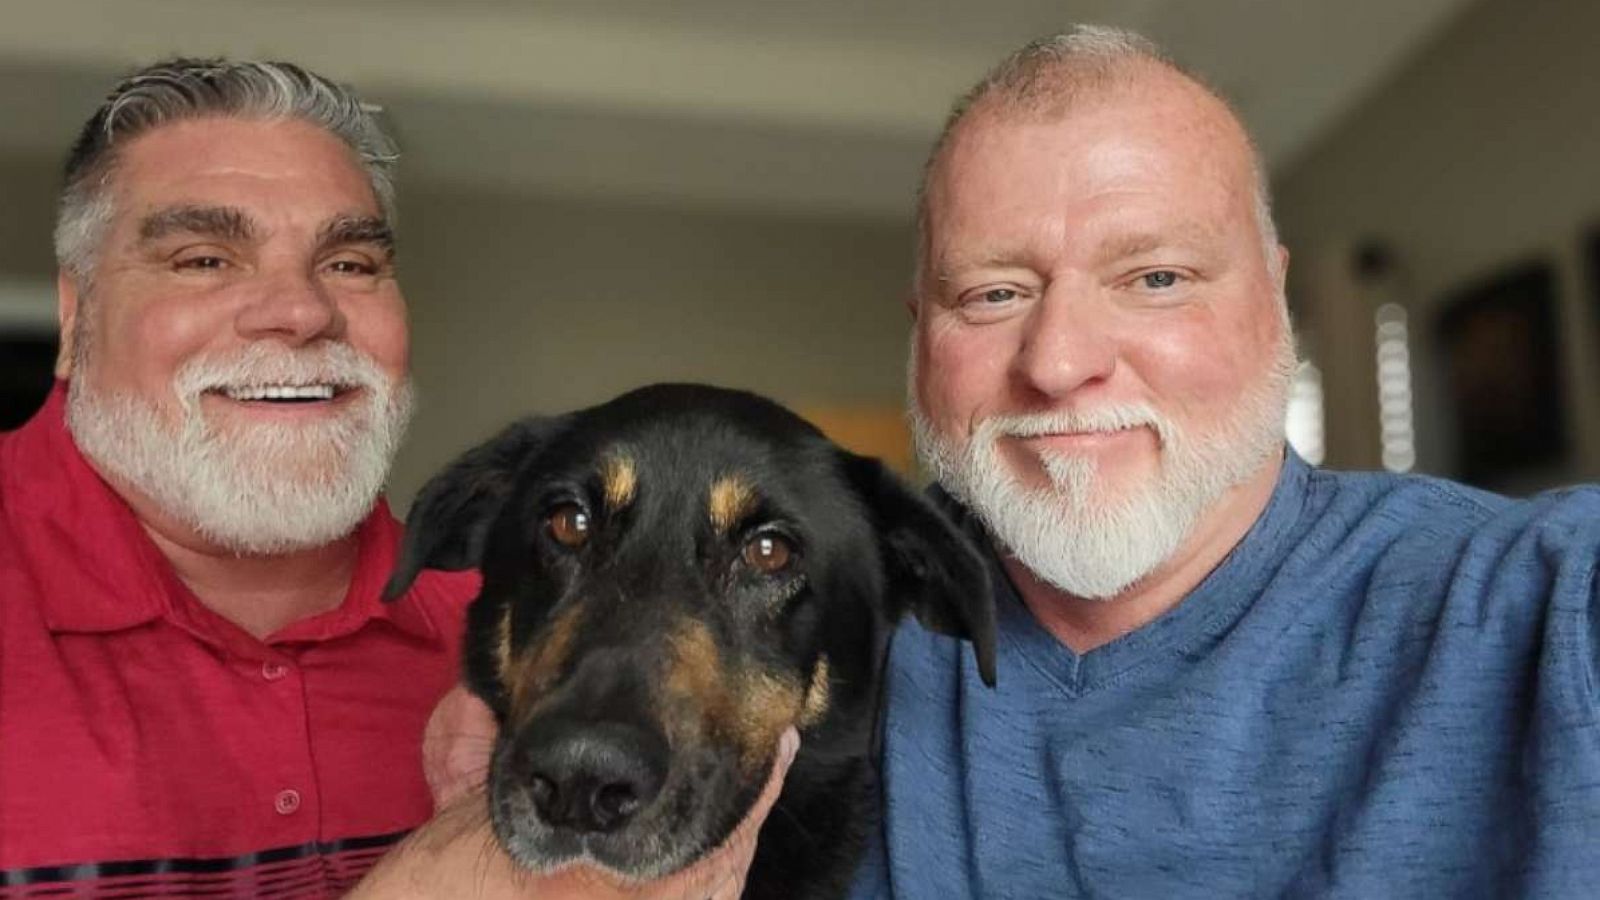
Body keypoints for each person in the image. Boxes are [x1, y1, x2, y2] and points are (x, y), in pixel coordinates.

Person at [0, 58, 789, 899]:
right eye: (205, 260)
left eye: (348, 263)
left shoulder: (531, 631)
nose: (301, 310)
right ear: (76, 313)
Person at [847, 25, 1600, 899]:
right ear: (921, 336)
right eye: (994, 294)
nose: (1057, 363)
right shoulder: (806, 622)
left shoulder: (1545, 605)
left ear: (1272, 301)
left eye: (1156, 277)